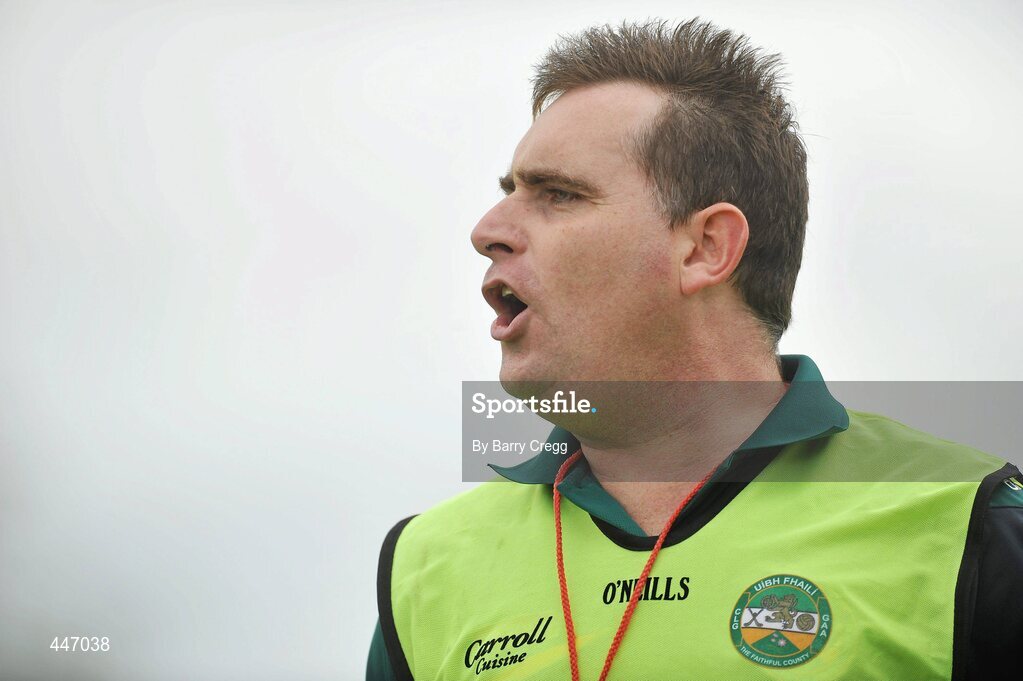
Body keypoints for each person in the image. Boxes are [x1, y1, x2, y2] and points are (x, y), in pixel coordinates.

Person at [366, 17, 1023, 680]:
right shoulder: (421, 568)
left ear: (706, 248)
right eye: (509, 191)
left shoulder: (968, 520)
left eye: (558, 194)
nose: (486, 231)